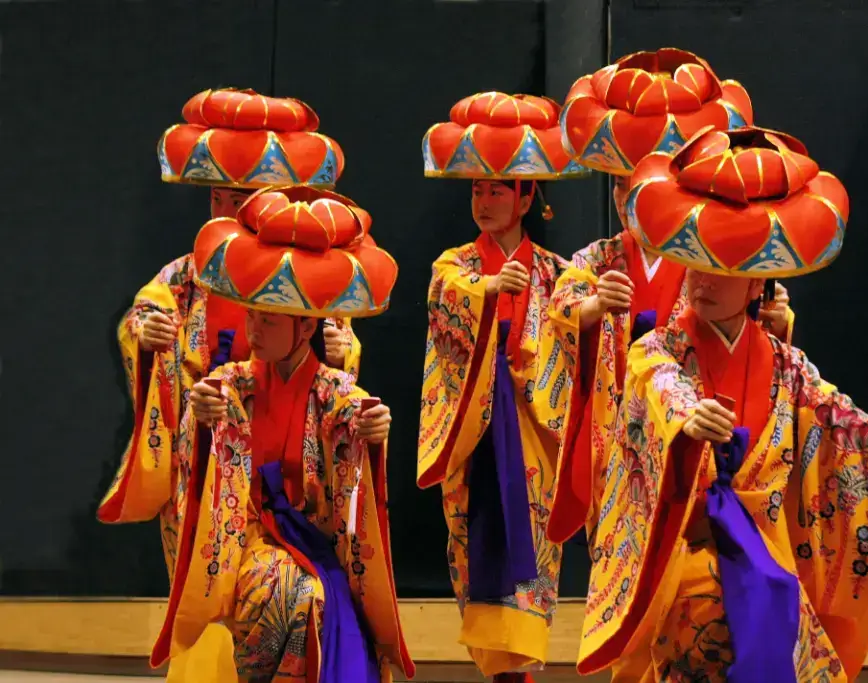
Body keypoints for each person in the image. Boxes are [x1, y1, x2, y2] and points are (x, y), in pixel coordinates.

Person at [576, 126, 868, 682]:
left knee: (789, 640)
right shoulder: (661, 347)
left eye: (722, 271)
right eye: (696, 266)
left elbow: (843, 419)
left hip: (766, 544)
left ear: (757, 283)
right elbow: (662, 385)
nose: (702, 283)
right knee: (712, 627)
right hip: (689, 545)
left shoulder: (786, 364)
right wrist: (688, 418)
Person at [96, 88, 355, 682]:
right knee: (205, 591)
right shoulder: (186, 277)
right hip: (208, 452)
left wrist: (343, 351)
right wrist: (148, 333)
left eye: (241, 197)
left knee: (291, 594)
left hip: (287, 453)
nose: (227, 207)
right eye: (219, 195)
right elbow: (143, 315)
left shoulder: (301, 277)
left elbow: (337, 346)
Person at [149, 185, 413, 683]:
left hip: (313, 542)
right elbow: (207, 415)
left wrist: (373, 431)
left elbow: (356, 418)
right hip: (244, 540)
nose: (253, 330)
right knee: (290, 594)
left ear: (306, 326)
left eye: (267, 320)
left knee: (309, 599)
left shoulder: (331, 389)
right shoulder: (234, 383)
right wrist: (201, 419)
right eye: (251, 315)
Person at [545, 48, 794, 546]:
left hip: (696, 424)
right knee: (620, 551)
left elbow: (752, 338)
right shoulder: (598, 258)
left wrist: (774, 319)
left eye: (639, 190)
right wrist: (591, 308)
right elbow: (562, 303)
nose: (627, 201)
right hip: (621, 426)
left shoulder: (708, 261)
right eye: (619, 189)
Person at [417, 91, 589, 681]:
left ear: (526, 195)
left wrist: (585, 317)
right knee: (475, 550)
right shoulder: (454, 266)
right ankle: (497, 672)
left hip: (533, 437)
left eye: (497, 189)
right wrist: (487, 293)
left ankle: (518, 673)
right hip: (476, 434)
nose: (484, 201)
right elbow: (446, 311)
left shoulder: (558, 273)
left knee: (531, 563)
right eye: (477, 189)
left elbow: (573, 330)